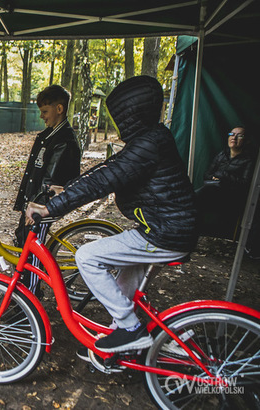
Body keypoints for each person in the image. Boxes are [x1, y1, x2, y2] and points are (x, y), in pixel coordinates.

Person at [26, 76, 197, 353]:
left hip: (164, 232)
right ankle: (128, 335)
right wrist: (67, 189)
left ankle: (130, 329)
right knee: (124, 283)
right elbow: (109, 170)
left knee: (87, 256)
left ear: (129, 113)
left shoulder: (148, 143)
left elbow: (105, 178)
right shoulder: (152, 138)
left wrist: (49, 208)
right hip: (164, 227)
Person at [13, 84, 81, 296]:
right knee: (25, 242)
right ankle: (26, 288)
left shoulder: (64, 141)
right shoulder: (49, 136)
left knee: (33, 251)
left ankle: (31, 297)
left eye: (45, 111)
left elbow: (53, 181)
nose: (42, 116)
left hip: (44, 205)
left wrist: (37, 206)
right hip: (34, 201)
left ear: (59, 109)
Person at [196, 126, 256, 239]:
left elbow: (244, 183)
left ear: (246, 141)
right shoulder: (222, 154)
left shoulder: (248, 160)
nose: (234, 137)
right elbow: (207, 174)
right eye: (232, 134)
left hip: (232, 197)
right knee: (201, 193)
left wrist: (222, 176)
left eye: (239, 135)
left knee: (201, 194)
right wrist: (216, 177)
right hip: (213, 191)